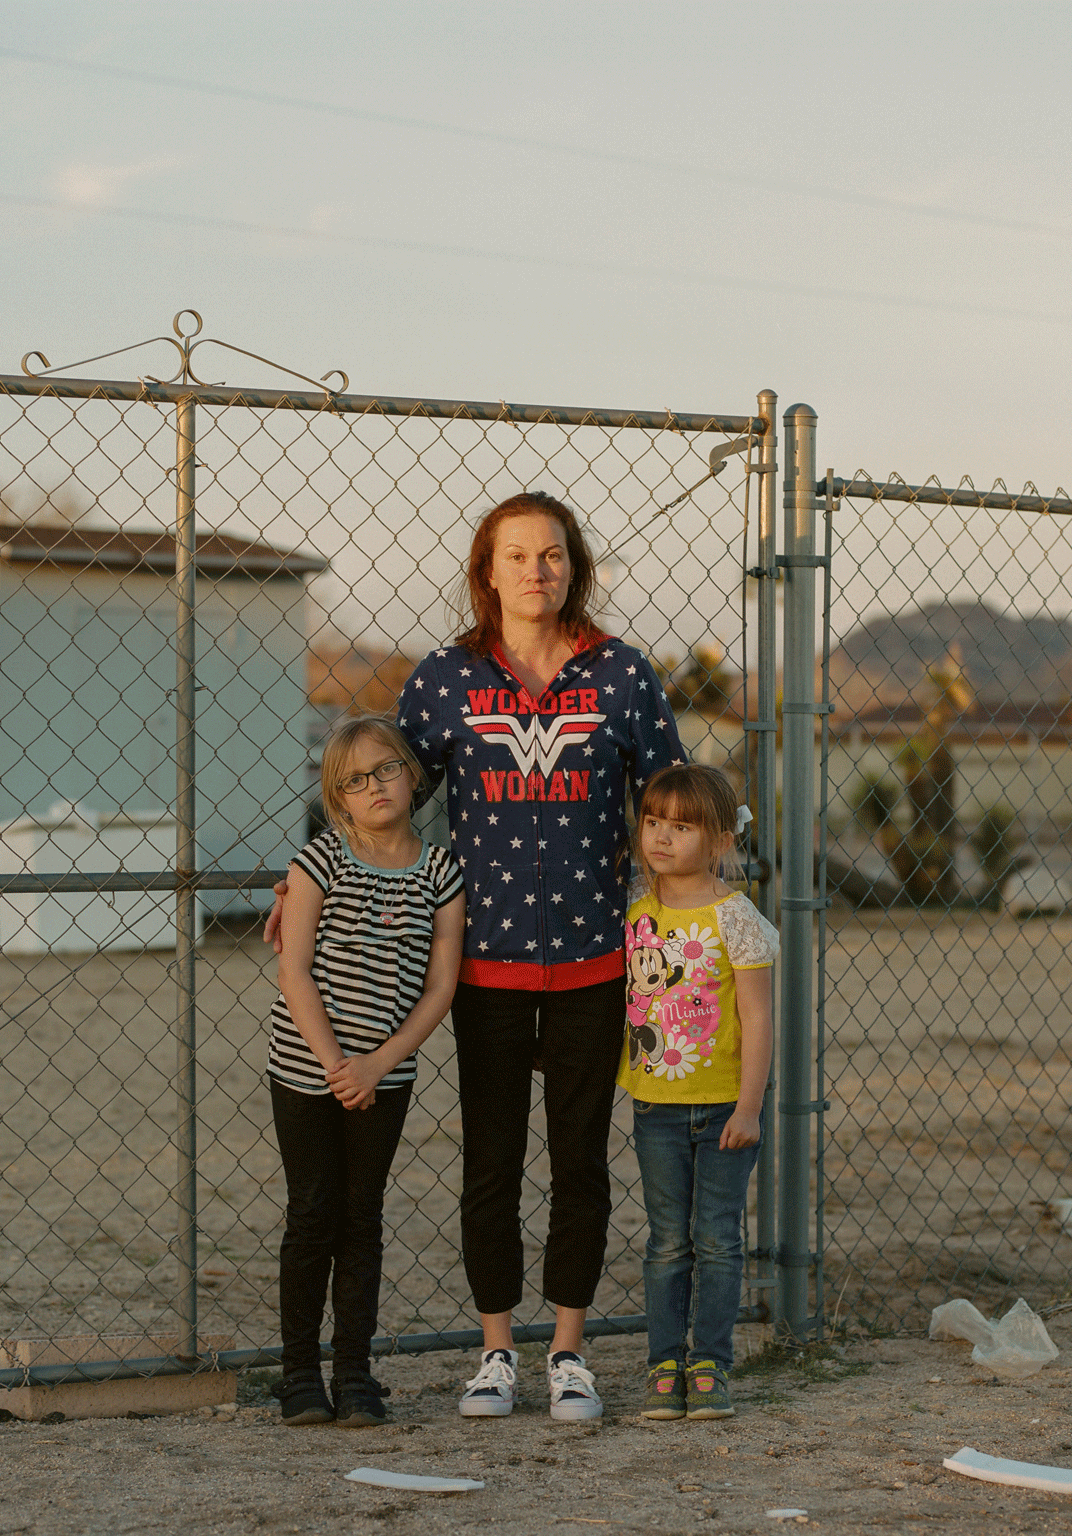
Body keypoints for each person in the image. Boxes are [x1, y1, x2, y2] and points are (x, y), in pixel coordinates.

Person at [397, 490, 686, 1421]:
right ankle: (494, 1351)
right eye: (516, 555)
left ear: (574, 567)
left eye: (552, 555)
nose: (536, 570)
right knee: (490, 1158)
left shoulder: (622, 675)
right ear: (488, 570)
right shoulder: (445, 679)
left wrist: (708, 890)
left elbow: (671, 796)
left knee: (580, 1163)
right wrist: (311, 881)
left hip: (596, 959)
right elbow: (381, 794)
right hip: (483, 963)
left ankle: (567, 1350)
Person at [266, 714, 466, 1427]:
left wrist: (379, 1062)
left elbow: (441, 986)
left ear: (413, 775)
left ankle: (353, 1373)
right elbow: (294, 971)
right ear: (336, 798)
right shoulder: (319, 862)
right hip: (304, 1069)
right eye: (355, 780)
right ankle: (297, 1375)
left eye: (386, 769)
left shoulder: (441, 872)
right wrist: (334, 1066)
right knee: (312, 1212)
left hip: (386, 1076)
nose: (375, 786)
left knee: (362, 1216)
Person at [619, 764, 776, 1422]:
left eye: (680, 827)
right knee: (665, 1242)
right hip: (655, 1109)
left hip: (722, 1111)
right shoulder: (636, 913)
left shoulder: (734, 917)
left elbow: (760, 1017)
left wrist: (748, 1107)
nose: (661, 837)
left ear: (717, 840)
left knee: (716, 1238)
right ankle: (664, 1363)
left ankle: (710, 1361)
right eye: (653, 822)